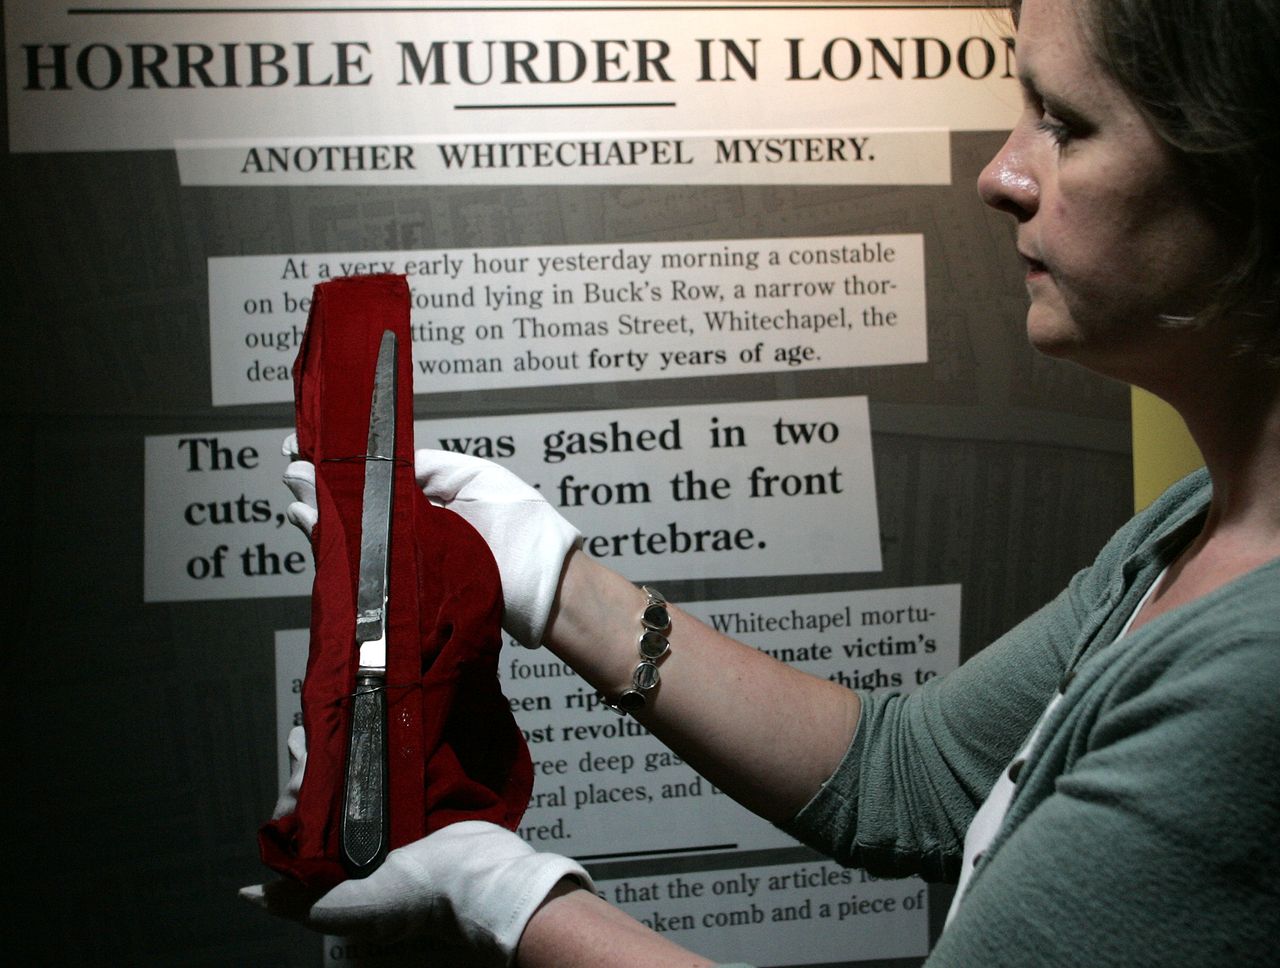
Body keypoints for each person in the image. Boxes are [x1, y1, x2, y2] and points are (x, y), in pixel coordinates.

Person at [244, 0, 1280, 964]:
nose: (1000, 173)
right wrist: (558, 583)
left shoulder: (1253, 669)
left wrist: (509, 905)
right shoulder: (1191, 529)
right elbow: (906, 773)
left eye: (1063, 122)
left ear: (1244, 165)